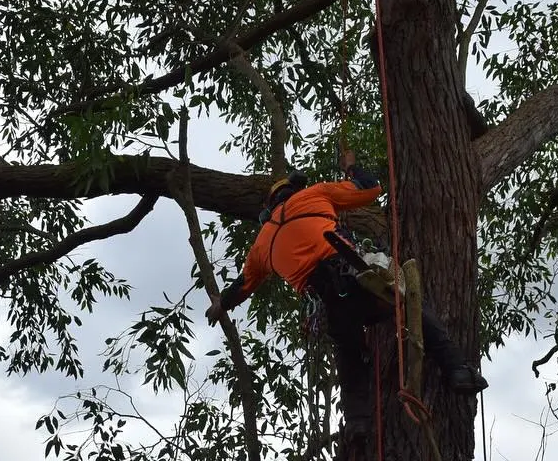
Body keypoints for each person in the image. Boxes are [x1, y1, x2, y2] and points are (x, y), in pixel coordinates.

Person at [205, 151, 488, 436]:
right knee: (408, 306)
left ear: (269, 207)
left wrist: (220, 306)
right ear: (294, 192)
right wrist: (351, 167)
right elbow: (371, 188)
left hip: (328, 303)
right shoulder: (314, 194)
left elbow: (243, 285)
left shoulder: (261, 243)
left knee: (349, 351)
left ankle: (357, 422)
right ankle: (457, 369)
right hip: (353, 277)